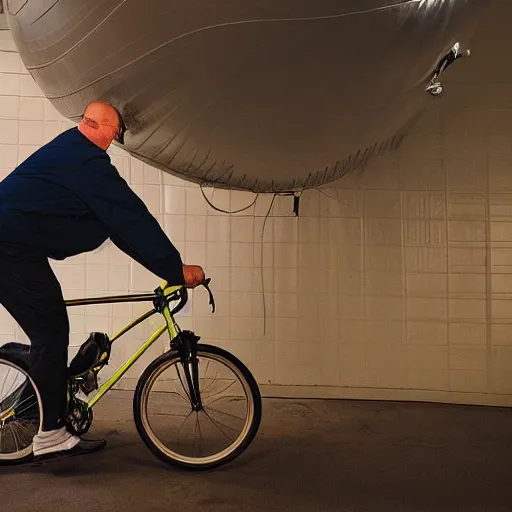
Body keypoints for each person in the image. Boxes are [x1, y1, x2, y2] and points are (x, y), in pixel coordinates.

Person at [0, 100, 205, 461]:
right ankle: (49, 435)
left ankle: (48, 404)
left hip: (15, 246)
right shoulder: (85, 161)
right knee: (50, 333)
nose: (117, 138)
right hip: (7, 248)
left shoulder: (72, 152)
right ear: (95, 124)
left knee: (50, 332)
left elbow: (120, 226)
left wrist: (167, 268)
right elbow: (131, 217)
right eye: (116, 130)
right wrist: (177, 271)